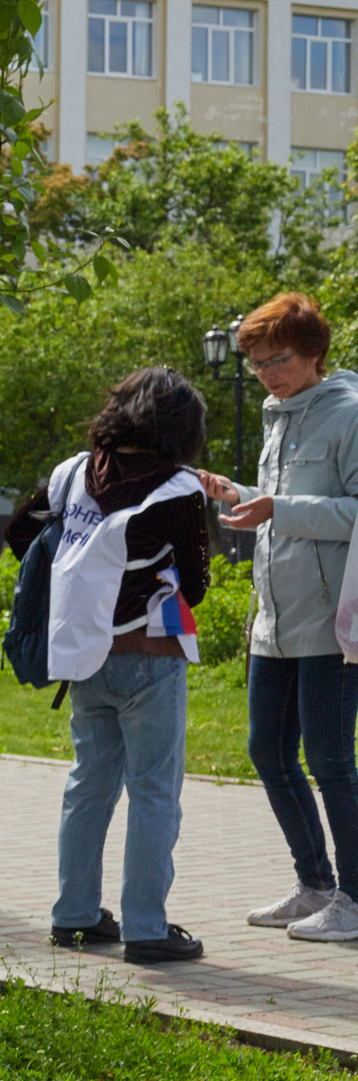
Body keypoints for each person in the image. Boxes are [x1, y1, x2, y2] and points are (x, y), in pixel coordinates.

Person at [8, 368, 211, 964]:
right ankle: (146, 929)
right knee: (154, 792)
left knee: (89, 786)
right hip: (149, 655)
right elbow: (196, 585)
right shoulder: (179, 488)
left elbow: (21, 534)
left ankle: (74, 917)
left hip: (81, 655)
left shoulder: (73, 472)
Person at [200, 291, 358, 942]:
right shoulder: (278, 415)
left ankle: (354, 899)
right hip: (274, 622)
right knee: (267, 750)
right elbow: (281, 502)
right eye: (258, 363)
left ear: (315, 353)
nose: (267, 374)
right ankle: (314, 884)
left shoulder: (349, 412)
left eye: (279, 359)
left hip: (332, 622)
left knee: (330, 758)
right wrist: (240, 495)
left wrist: (278, 509)